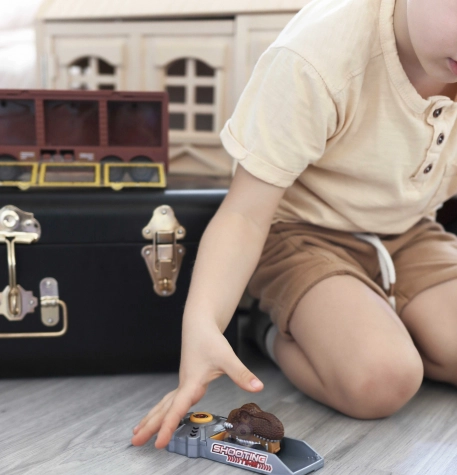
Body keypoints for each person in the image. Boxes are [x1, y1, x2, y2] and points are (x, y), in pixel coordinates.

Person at [132, 0, 457, 449]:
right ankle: (265, 329)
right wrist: (204, 324)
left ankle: (377, 320)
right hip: (298, 233)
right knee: (383, 379)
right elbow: (245, 213)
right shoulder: (317, 57)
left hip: (409, 232)